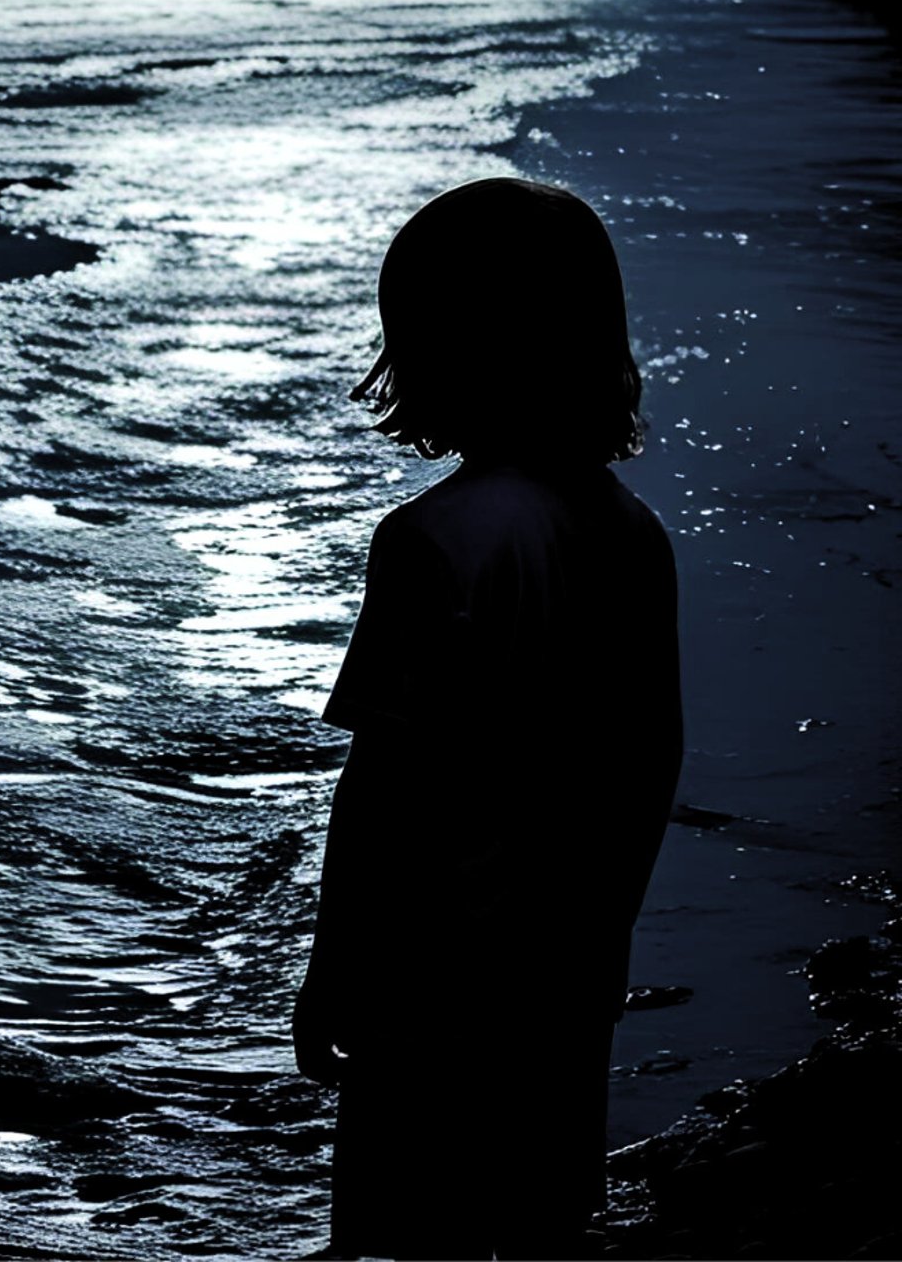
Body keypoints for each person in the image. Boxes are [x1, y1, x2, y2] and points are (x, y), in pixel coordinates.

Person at [294, 178, 683, 1261]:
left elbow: (386, 786)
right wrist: (604, 939)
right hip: (568, 980)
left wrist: (335, 967)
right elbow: (650, 763)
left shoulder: (435, 539)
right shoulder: (632, 533)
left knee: (410, 1237)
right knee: (540, 1231)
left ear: (441, 353)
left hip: (434, 984)